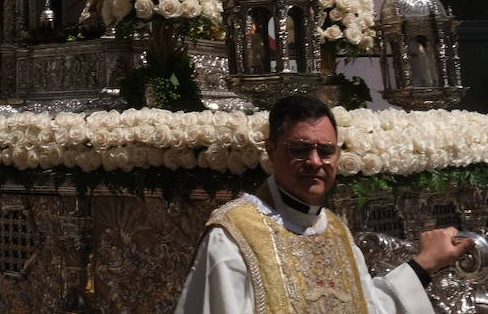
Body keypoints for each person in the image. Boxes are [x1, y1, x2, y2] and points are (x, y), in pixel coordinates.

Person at [177, 95, 472, 313]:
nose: (315, 162)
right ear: (271, 150)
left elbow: (371, 307)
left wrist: (424, 265)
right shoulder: (235, 234)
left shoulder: (335, 231)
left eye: (326, 150)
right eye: (300, 149)